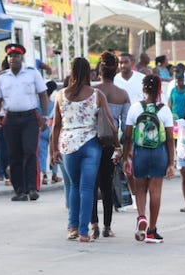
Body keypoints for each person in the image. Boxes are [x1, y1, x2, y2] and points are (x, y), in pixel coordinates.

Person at [51, 57, 117, 243]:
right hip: (90, 144)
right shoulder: (97, 94)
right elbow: (111, 124)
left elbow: (56, 125)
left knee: (73, 186)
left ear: (71, 71)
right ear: (89, 72)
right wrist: (118, 146)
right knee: (87, 188)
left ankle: (72, 227)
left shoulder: (60, 95)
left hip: (68, 144)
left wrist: (53, 150)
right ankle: (83, 232)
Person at [0, 43, 49, 202]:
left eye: (16, 56)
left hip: (30, 118)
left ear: (21, 57)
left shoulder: (32, 73)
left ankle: (32, 188)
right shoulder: (2, 77)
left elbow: (43, 94)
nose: (13, 59)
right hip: (11, 119)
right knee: (14, 154)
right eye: (10, 56)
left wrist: (44, 116)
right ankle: (19, 190)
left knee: (30, 151)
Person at [122, 74, 175, 244]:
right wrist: (171, 163)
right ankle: (152, 229)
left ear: (143, 89)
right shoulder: (165, 110)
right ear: (159, 90)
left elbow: (128, 136)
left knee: (140, 188)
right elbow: (169, 139)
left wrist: (125, 158)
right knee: (155, 191)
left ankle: (141, 216)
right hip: (159, 153)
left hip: (140, 153)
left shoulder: (135, 108)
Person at [92, 51, 130, 238]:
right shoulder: (122, 94)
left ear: (100, 71)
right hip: (110, 144)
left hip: (91, 142)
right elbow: (126, 126)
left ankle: (93, 225)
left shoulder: (91, 92)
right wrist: (121, 148)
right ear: (115, 72)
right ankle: (107, 227)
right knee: (107, 186)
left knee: (90, 185)